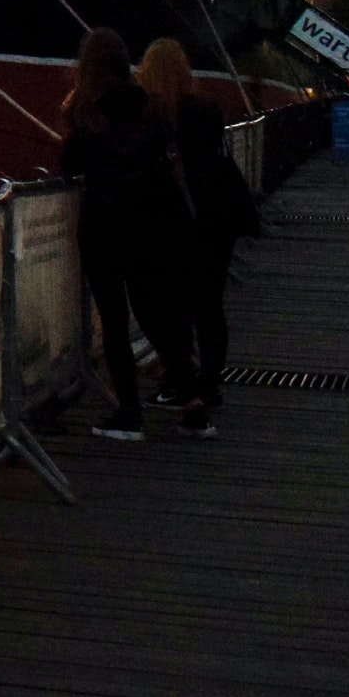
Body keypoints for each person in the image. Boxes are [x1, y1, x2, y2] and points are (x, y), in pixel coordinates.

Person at [59, 28, 195, 441]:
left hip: (104, 226)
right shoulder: (152, 108)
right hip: (149, 223)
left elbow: (69, 166)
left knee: (114, 322)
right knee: (156, 312)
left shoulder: (87, 111)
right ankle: (194, 404)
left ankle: (129, 413)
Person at [169, 88, 261, 437]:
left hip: (191, 248)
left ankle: (187, 387)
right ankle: (210, 383)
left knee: (182, 315)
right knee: (211, 312)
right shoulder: (223, 166)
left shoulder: (187, 173)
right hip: (219, 247)